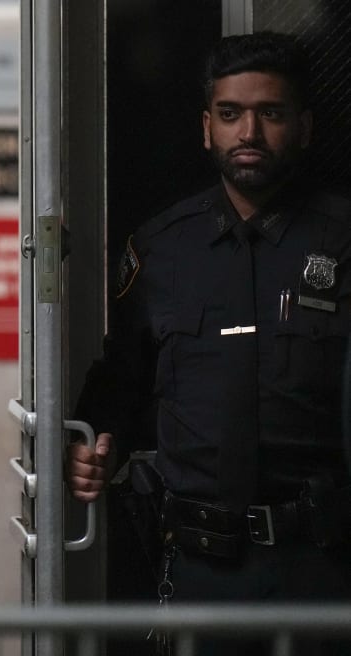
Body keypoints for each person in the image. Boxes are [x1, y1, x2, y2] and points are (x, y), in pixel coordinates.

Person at [68, 32, 351, 654]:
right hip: (199, 568)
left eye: (270, 113)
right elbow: (123, 376)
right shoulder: (162, 248)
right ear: (206, 128)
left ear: (303, 126)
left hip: (324, 568)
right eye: (230, 115)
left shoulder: (341, 239)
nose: (248, 132)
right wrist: (92, 445)